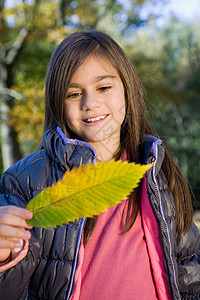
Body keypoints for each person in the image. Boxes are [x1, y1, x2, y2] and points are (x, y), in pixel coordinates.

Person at [0, 30, 199, 300]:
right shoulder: (25, 181)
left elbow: (189, 268)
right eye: (73, 94)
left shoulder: (157, 171)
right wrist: (5, 255)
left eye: (104, 88)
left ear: (127, 89)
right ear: (57, 102)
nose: (90, 103)